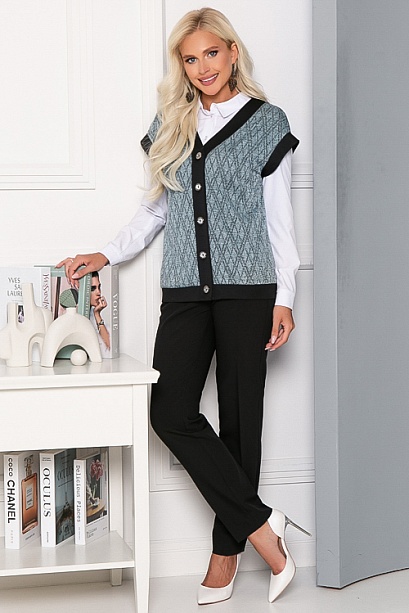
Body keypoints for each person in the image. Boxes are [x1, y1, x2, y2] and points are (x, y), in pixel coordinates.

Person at [57, 7, 310, 604]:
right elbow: (156, 209)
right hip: (185, 293)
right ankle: (263, 526)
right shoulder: (172, 122)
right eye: (190, 59)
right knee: (168, 410)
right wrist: (106, 253)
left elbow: (279, 219)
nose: (202, 68)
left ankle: (226, 552)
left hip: (249, 291)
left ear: (232, 52)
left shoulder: (267, 122)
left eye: (211, 54)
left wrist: (285, 297)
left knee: (242, 421)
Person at [89, 271, 110, 352]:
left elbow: (108, 347)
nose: (99, 292)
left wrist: (97, 314)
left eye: (99, 287)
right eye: (93, 288)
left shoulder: (94, 314)